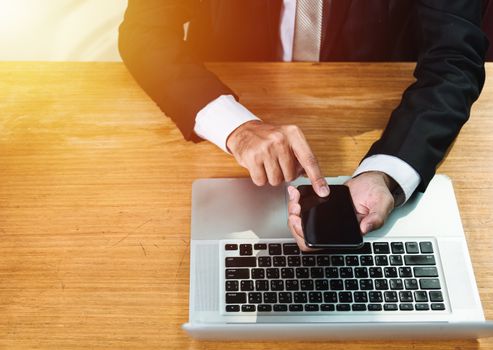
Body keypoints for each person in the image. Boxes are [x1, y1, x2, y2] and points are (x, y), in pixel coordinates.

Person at [119, 0, 489, 250]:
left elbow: (453, 61)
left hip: (377, 124)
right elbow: (144, 33)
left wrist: (386, 174)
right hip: (218, 134)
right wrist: (235, 127)